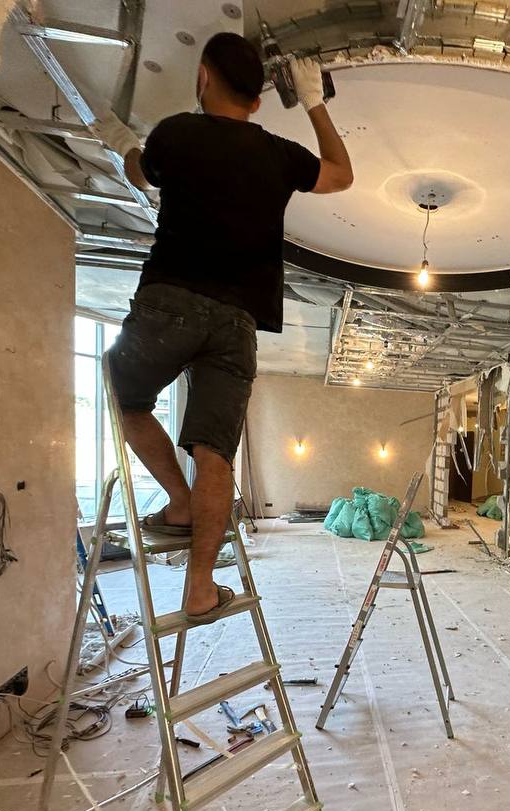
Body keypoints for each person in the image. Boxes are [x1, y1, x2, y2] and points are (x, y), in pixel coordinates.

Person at [90, 33, 352, 619]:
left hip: (170, 301)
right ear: (258, 101)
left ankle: (179, 501)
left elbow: (140, 173)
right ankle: (201, 587)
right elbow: (340, 175)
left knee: (123, 397)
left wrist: (124, 144)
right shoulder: (278, 154)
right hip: (238, 321)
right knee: (216, 452)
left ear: (203, 77)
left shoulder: (177, 133)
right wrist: (313, 101)